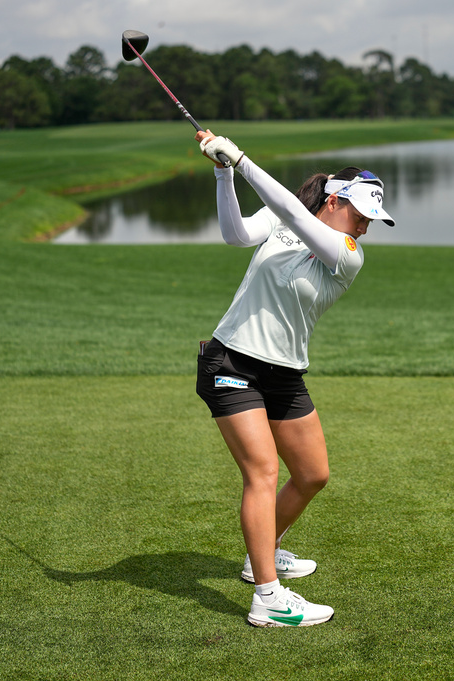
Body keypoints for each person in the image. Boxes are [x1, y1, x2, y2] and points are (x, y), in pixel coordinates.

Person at [193, 129, 394, 627]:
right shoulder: (284, 223)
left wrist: (240, 158)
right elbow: (236, 234)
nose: (367, 226)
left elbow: (295, 214)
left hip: (284, 374)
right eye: (363, 214)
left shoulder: (346, 252)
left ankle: (260, 551)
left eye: (373, 218)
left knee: (312, 475)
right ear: (336, 200)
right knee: (262, 471)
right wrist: (224, 173)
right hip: (232, 362)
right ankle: (267, 596)